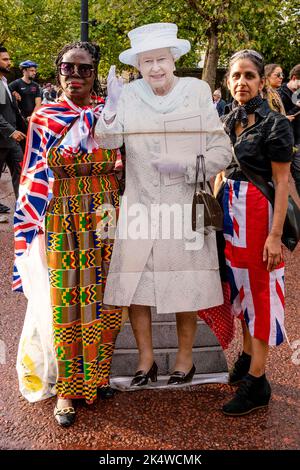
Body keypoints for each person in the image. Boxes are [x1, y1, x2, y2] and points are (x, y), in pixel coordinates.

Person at [95, 23, 232, 387]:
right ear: (138, 65)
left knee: (185, 285)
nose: (155, 67)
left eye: (161, 59)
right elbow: (107, 142)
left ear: (174, 59)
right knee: (135, 287)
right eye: (147, 61)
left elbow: (223, 151)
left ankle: (184, 361)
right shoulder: (129, 95)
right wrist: (109, 108)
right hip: (139, 205)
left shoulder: (197, 90)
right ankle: (146, 361)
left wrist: (187, 167)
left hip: (183, 206)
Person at [13, 41, 122, 427]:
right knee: (67, 299)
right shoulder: (44, 117)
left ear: (95, 72)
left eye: (84, 69)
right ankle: (66, 390)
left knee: (106, 296)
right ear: (57, 71)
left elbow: (124, 163)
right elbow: (32, 176)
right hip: (60, 214)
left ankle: (96, 379)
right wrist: (31, 227)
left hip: (106, 210)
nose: (75, 75)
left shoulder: (110, 114)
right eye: (67, 68)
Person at [217, 49, 293, 416]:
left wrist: (275, 235)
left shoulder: (276, 123)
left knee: (260, 293)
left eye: (249, 76)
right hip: (231, 214)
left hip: (259, 213)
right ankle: (247, 358)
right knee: (241, 290)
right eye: (236, 76)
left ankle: (258, 381)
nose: (241, 82)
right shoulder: (229, 116)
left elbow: (281, 182)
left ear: (261, 81)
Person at [0, 46, 26, 208]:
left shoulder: (4, 82)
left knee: (21, 172)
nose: (9, 62)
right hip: (3, 139)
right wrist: (11, 131)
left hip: (12, 141)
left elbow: (6, 108)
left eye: (9, 59)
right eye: (5, 59)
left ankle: (22, 208)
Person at [279, 64, 300, 197]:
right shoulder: (280, 94)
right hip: (287, 141)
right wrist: (297, 108)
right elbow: (282, 117)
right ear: (294, 78)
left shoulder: (297, 94)